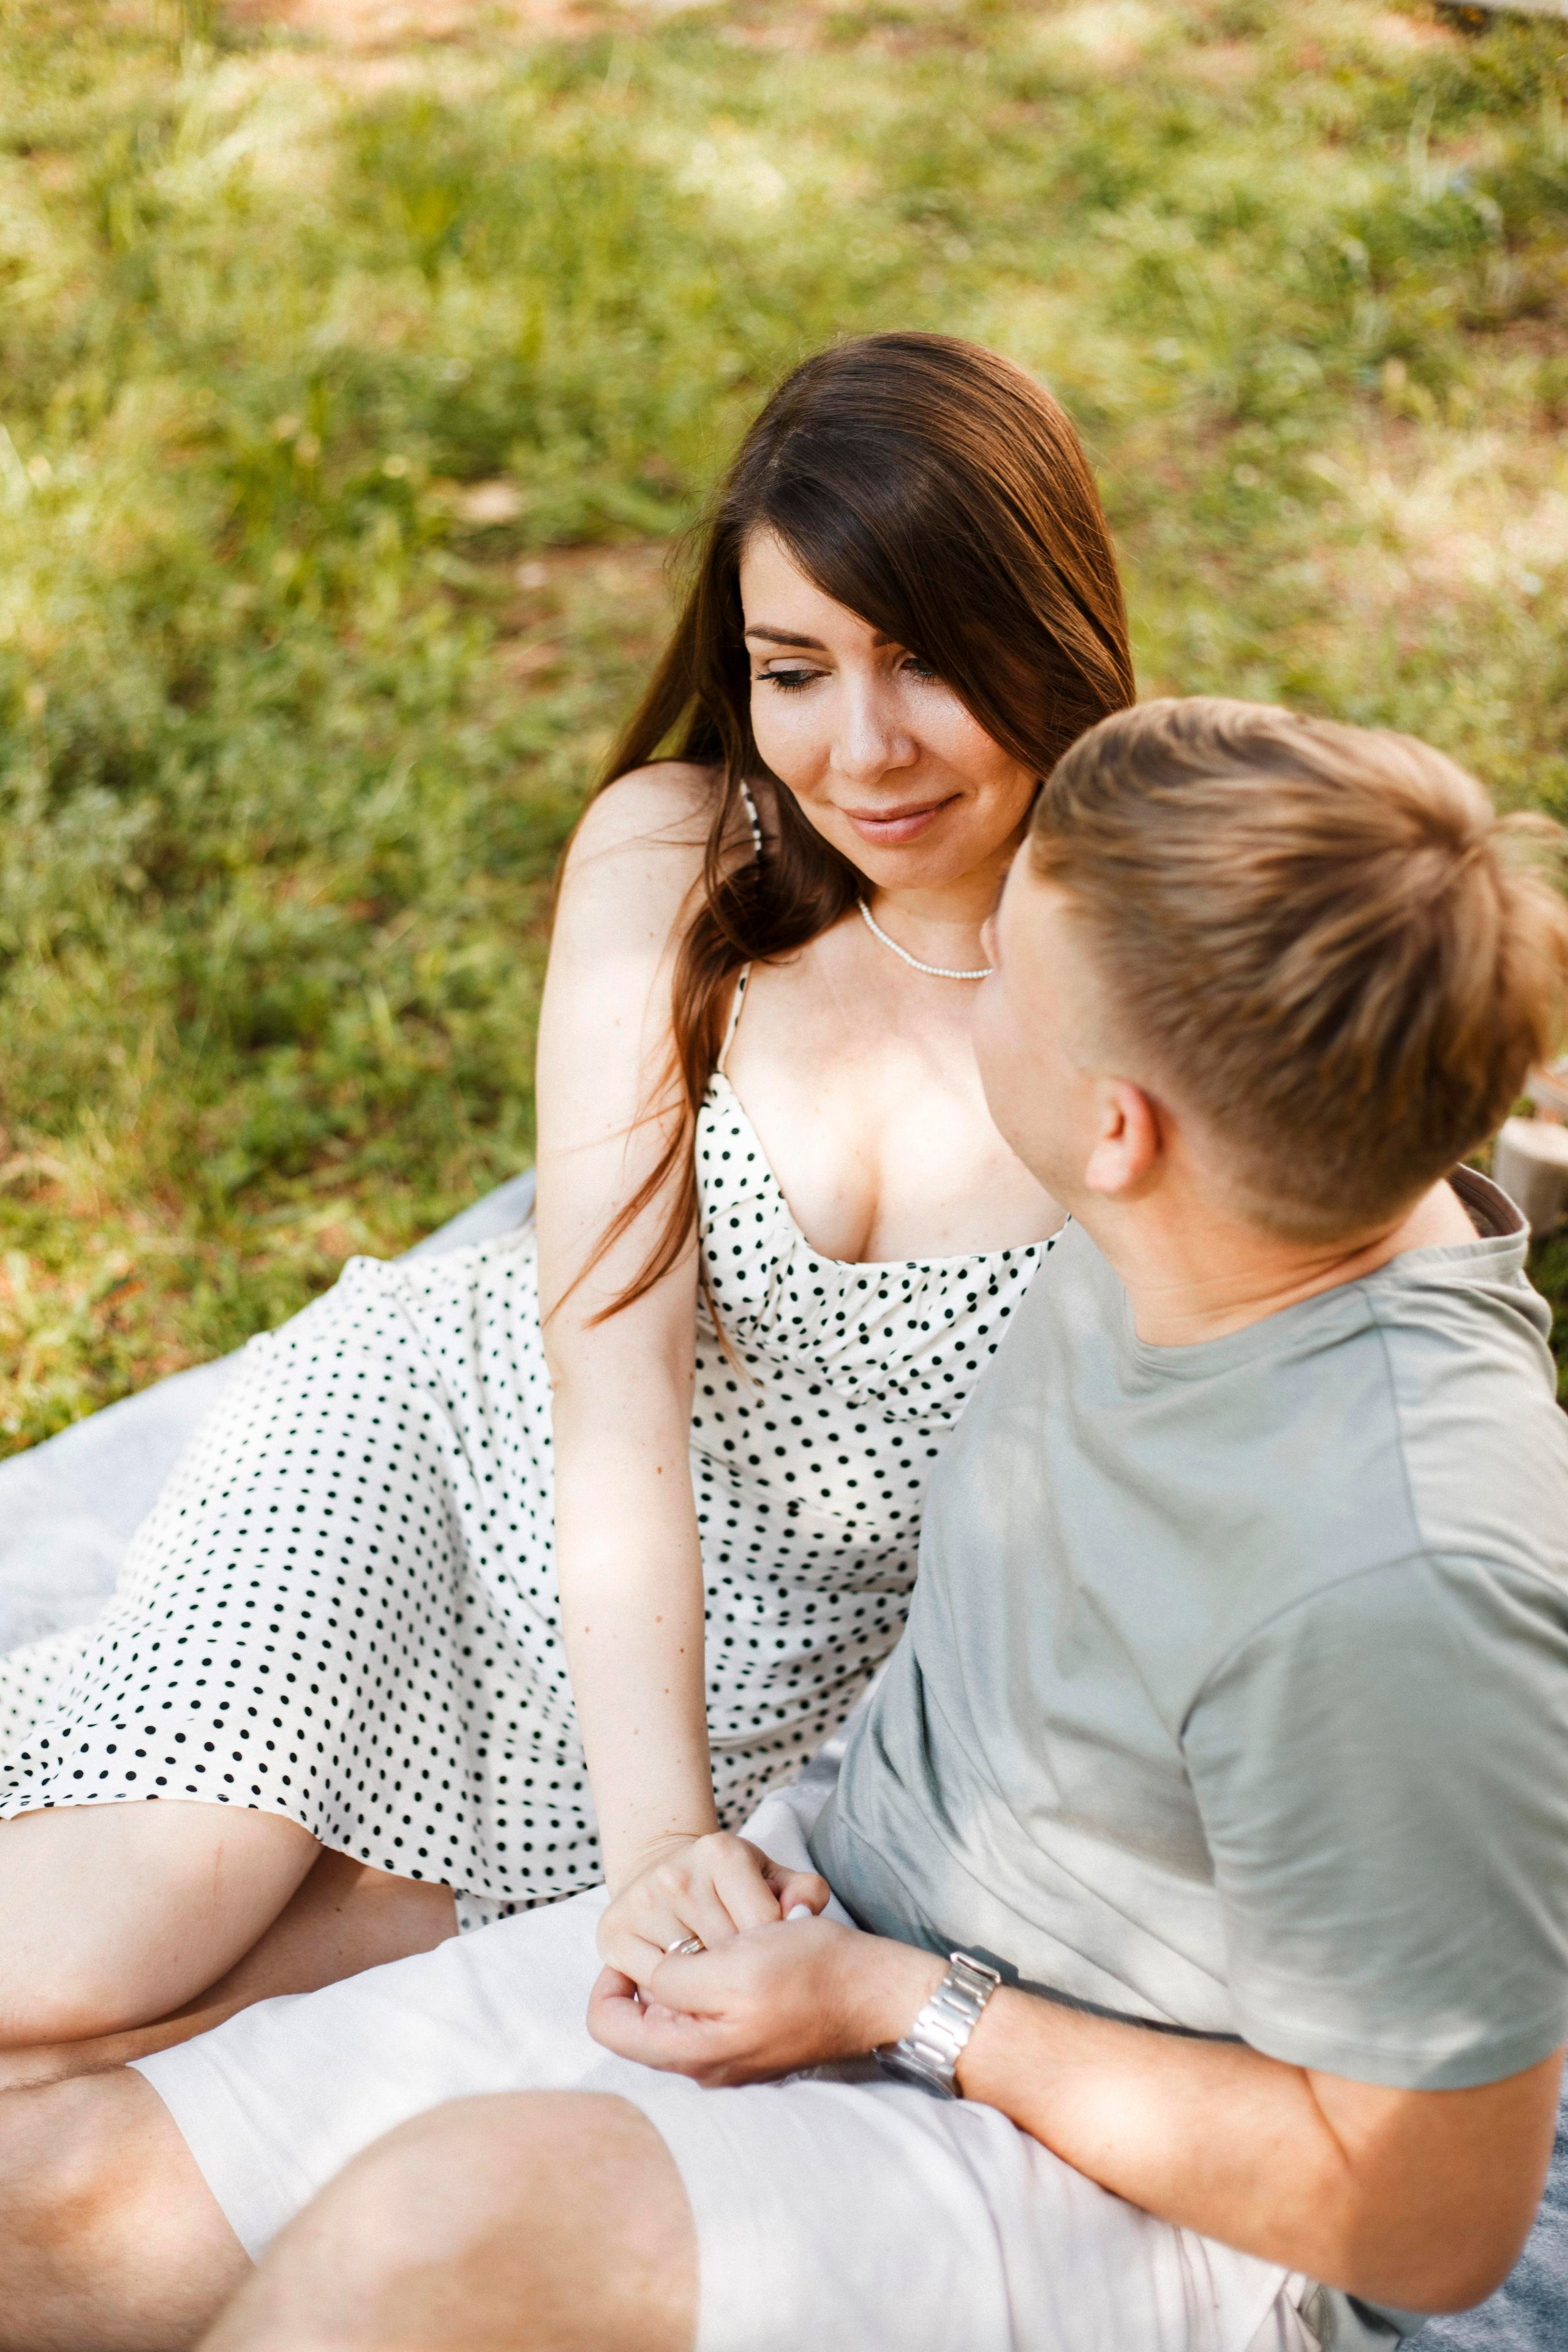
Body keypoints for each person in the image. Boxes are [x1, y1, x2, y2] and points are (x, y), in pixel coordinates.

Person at [6, 696, 1568, 2352]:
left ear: (1120, 1131)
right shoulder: (1242, 1185)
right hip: (827, 1916)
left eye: (1014, 989)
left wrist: (906, 2006)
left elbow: (1432, 2219)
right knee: (50, 2192)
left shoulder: (1400, 1584)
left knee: (430, 2241)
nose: (963, 1002)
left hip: (1115, 2182)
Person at [0, 333, 1130, 2078]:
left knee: (168, 2045)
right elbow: (615, 1390)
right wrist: (662, 1838)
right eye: (794, 668)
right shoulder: (679, 859)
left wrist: (670, 1846)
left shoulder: (1147, 983)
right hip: (451, 1467)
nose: (864, 746)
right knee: (111, 1932)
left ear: (1046, 628)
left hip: (739, 1690)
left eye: (924, 661)